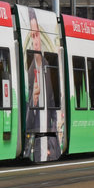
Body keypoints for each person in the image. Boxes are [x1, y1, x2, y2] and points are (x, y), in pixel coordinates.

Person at [24, 14, 61, 162]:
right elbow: (27, 118)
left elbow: (53, 102)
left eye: (37, 34)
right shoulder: (29, 71)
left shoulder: (48, 66)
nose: (36, 40)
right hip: (36, 134)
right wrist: (33, 100)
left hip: (50, 133)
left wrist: (54, 128)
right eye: (32, 36)